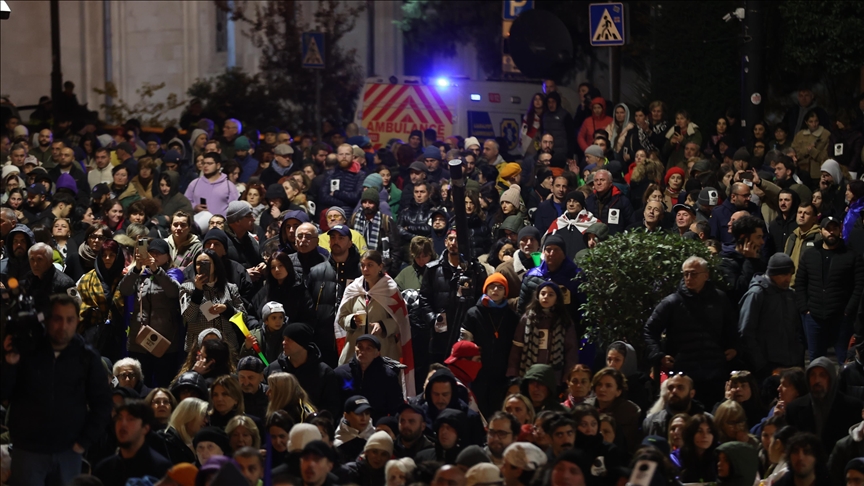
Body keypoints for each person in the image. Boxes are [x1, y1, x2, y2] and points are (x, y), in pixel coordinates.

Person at [1, 294, 113, 486]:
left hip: (68, 451)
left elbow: (102, 403)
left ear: (77, 321)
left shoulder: (86, 357)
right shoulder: (27, 351)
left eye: (69, 320)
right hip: (28, 450)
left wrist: (84, 441)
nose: (63, 326)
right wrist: (8, 365)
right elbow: (3, 393)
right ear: (47, 319)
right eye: (57, 318)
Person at [645, 256, 738, 409]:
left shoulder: (720, 299)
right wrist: (658, 355)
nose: (689, 278)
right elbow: (650, 330)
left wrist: (734, 347)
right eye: (685, 274)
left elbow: (732, 328)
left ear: (706, 276)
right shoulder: (672, 302)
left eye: (693, 274)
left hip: (714, 372)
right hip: (684, 372)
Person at [795, 216, 864, 363]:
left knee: (844, 361)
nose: (831, 232)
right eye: (828, 229)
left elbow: (859, 286)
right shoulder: (810, 255)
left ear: (840, 230)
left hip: (841, 318)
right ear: (821, 231)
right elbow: (800, 282)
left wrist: (848, 311)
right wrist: (804, 309)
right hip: (813, 316)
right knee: (815, 362)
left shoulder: (851, 256)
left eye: (834, 228)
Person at [119, 237, 185, 387]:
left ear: (167, 256)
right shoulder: (139, 274)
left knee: (163, 383)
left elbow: (174, 291)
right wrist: (136, 268)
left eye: (158, 254)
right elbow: (124, 289)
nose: (153, 257)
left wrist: (157, 270)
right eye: (151, 253)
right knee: (140, 383)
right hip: (139, 341)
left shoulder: (173, 273)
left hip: (164, 341)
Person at [336, 250, 410, 365]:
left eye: (370, 265)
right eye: (363, 265)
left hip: (383, 352)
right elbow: (340, 319)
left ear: (380, 266)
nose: (365, 269)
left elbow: (401, 321)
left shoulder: (390, 290)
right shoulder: (353, 289)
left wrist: (383, 325)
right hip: (355, 352)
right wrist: (352, 321)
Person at [461, 273, 519, 418]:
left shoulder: (512, 317)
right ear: (485, 290)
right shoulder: (473, 313)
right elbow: (464, 343)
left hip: (502, 374)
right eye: (492, 287)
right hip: (478, 373)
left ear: (505, 292)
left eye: (500, 287)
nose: (495, 290)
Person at [739, 253, 804, 380]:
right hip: (767, 368)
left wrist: (798, 360)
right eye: (784, 274)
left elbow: (797, 330)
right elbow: (746, 333)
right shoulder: (757, 294)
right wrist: (763, 366)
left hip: (790, 365)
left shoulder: (790, 294)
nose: (788, 279)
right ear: (772, 273)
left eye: (790, 274)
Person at [263, 322, 342, 418]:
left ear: (302, 344)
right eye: (284, 339)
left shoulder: (324, 373)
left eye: (289, 340)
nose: (284, 343)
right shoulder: (273, 369)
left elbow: (331, 406)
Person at [785, 357, 863, 448]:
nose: (817, 380)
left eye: (822, 375)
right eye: (812, 375)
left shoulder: (853, 407)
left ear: (831, 378)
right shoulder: (794, 409)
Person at [94, 399, 172, 485]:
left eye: (130, 419)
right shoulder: (104, 469)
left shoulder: (161, 468)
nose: (123, 423)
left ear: (145, 428)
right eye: (119, 418)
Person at [334, 334, 405, 422]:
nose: (362, 351)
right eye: (359, 347)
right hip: (346, 426)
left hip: (376, 426)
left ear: (377, 353)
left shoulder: (388, 377)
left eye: (368, 348)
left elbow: (396, 408)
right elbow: (333, 405)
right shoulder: (340, 373)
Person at [718, 214, 768, 305]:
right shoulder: (725, 261)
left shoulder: (758, 257)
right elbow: (739, 292)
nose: (762, 242)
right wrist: (750, 260)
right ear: (743, 237)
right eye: (758, 237)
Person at [185, 151, 239, 218]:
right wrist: (194, 207)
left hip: (221, 226)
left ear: (218, 165)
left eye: (209, 163)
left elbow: (235, 209)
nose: (205, 166)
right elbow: (185, 203)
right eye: (204, 163)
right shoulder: (194, 184)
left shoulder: (229, 186)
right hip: (198, 225)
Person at [584, 169, 635, 235]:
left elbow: (631, 223)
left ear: (610, 183)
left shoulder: (621, 200)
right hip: (593, 240)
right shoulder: (589, 200)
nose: (599, 183)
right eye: (596, 180)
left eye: (602, 180)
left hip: (615, 241)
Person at [672, 414, 719, 484]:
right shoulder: (677, 456)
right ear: (691, 434)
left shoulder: (721, 454)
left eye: (709, 431)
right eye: (700, 431)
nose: (705, 435)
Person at [784, 201, 820, 284]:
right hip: (789, 286)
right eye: (799, 212)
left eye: (806, 213)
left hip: (807, 286)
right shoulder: (792, 237)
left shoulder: (818, 238)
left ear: (814, 218)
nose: (802, 215)